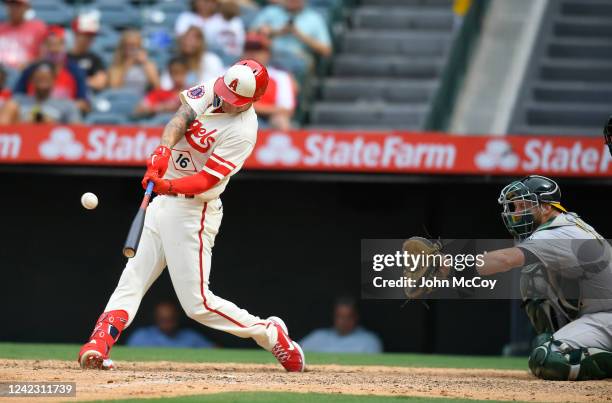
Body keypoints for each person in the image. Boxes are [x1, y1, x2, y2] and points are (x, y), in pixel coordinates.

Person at [77, 59, 305, 373]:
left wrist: (167, 184)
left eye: (234, 100)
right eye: (224, 93)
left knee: (197, 304)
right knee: (132, 278)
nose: (224, 100)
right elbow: (181, 117)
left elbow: (207, 180)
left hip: (193, 212)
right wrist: (163, 150)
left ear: (253, 101)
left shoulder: (244, 131)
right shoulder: (220, 86)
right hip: (164, 201)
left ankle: (269, 333)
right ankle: (99, 343)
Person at [409, 175, 612, 381]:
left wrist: (448, 267)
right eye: (514, 207)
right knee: (534, 279)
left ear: (546, 207)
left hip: (607, 317)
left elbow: (505, 260)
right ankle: (562, 339)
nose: (515, 213)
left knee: (548, 358)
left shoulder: (557, 234)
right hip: (597, 314)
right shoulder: (562, 224)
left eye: (523, 206)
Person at [14, 26, 89, 113]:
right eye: (49, 44)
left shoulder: (76, 71)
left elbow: (84, 104)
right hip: (31, 116)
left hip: (63, 119)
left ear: (66, 46)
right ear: (43, 46)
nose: (54, 49)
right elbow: (16, 99)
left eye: (58, 44)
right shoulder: (31, 70)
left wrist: (57, 108)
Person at [250, 0, 332, 74]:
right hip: (270, 54)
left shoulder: (313, 18)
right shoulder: (271, 11)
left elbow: (326, 50)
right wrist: (277, 32)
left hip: (297, 58)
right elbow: (250, 36)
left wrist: (298, 34)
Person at [242, 32, 295, 131]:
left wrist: (251, 107)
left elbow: (286, 109)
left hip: (267, 119)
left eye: (258, 49)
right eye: (248, 48)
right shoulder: (228, 72)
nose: (252, 53)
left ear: (268, 54)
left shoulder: (280, 76)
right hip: (237, 117)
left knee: (281, 120)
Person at [0, 62, 80, 124]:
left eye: (47, 78)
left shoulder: (66, 104)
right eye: (39, 78)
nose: (43, 81)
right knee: (10, 106)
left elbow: (77, 130)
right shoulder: (17, 100)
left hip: (51, 140)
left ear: (54, 80)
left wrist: (49, 122)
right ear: (31, 80)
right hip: (22, 137)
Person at [300, 297, 383, 354]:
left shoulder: (369, 341)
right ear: (333, 316)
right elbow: (295, 353)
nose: (344, 321)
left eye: (349, 316)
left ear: (356, 317)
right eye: (340, 316)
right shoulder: (318, 336)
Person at [127, 301, 214, 348]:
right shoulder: (141, 336)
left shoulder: (190, 336)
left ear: (177, 318)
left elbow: (216, 351)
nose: (167, 324)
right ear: (155, 319)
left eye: (171, 319)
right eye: (163, 320)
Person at [160, 26, 224, 91]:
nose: (188, 42)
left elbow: (215, 84)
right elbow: (165, 85)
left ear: (201, 42)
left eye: (193, 39)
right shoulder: (175, 62)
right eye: (186, 38)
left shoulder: (211, 60)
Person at [109, 30, 160, 95]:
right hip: (122, 99)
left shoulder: (148, 64)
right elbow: (114, 88)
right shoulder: (117, 65)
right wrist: (128, 63)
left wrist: (145, 63)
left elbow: (157, 87)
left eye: (135, 45)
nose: (132, 48)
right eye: (128, 45)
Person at [0, 0, 47, 69]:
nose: (14, 8)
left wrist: (29, 65)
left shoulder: (38, 27)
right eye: (11, 5)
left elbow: (44, 56)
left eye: (18, 5)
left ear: (27, 7)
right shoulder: (1, 28)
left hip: (26, 73)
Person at [68, 12, 107, 92]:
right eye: (87, 35)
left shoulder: (95, 58)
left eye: (92, 36)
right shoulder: (64, 57)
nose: (90, 39)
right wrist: (88, 80)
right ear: (76, 34)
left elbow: (100, 83)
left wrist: (75, 82)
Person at [205, 0, 245, 64]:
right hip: (217, 56)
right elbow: (208, 44)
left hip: (234, 58)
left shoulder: (237, 22)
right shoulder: (212, 22)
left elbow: (241, 43)